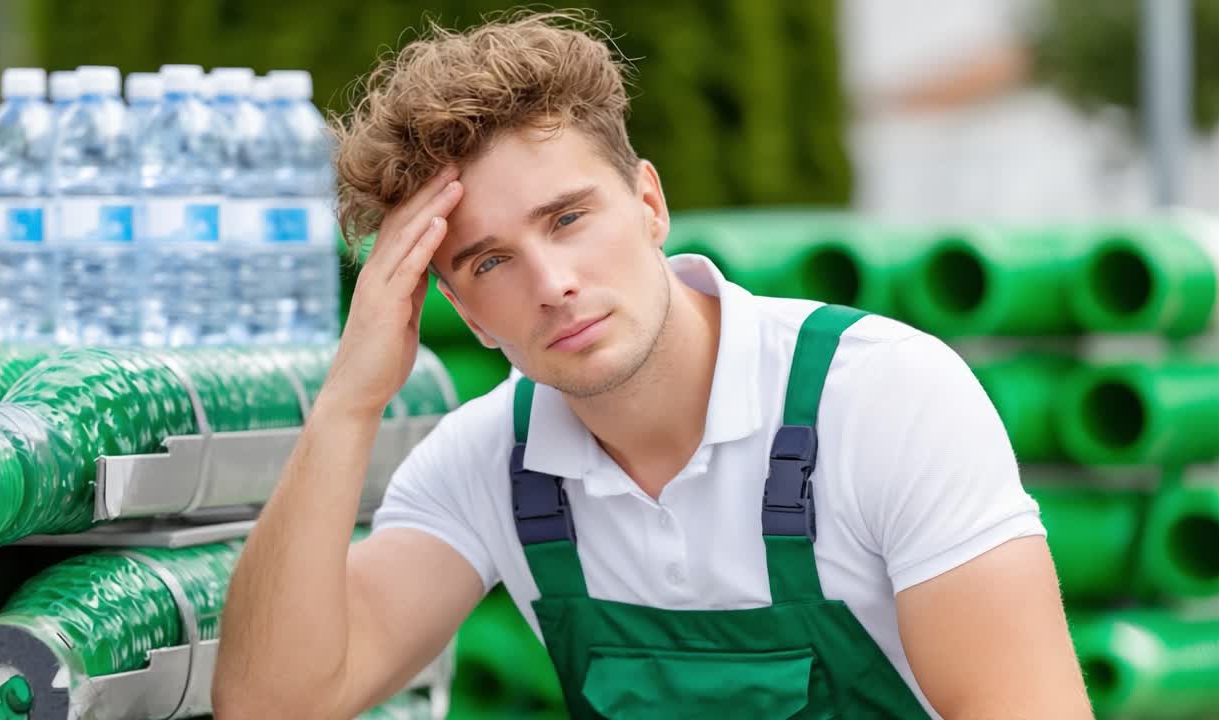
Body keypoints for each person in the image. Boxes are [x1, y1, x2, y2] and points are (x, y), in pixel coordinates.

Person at [213, 11, 1092, 719]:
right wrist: (348, 401)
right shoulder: (488, 463)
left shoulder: (884, 401)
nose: (553, 285)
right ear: (463, 312)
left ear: (649, 203)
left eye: (567, 218)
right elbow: (275, 703)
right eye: (488, 262)